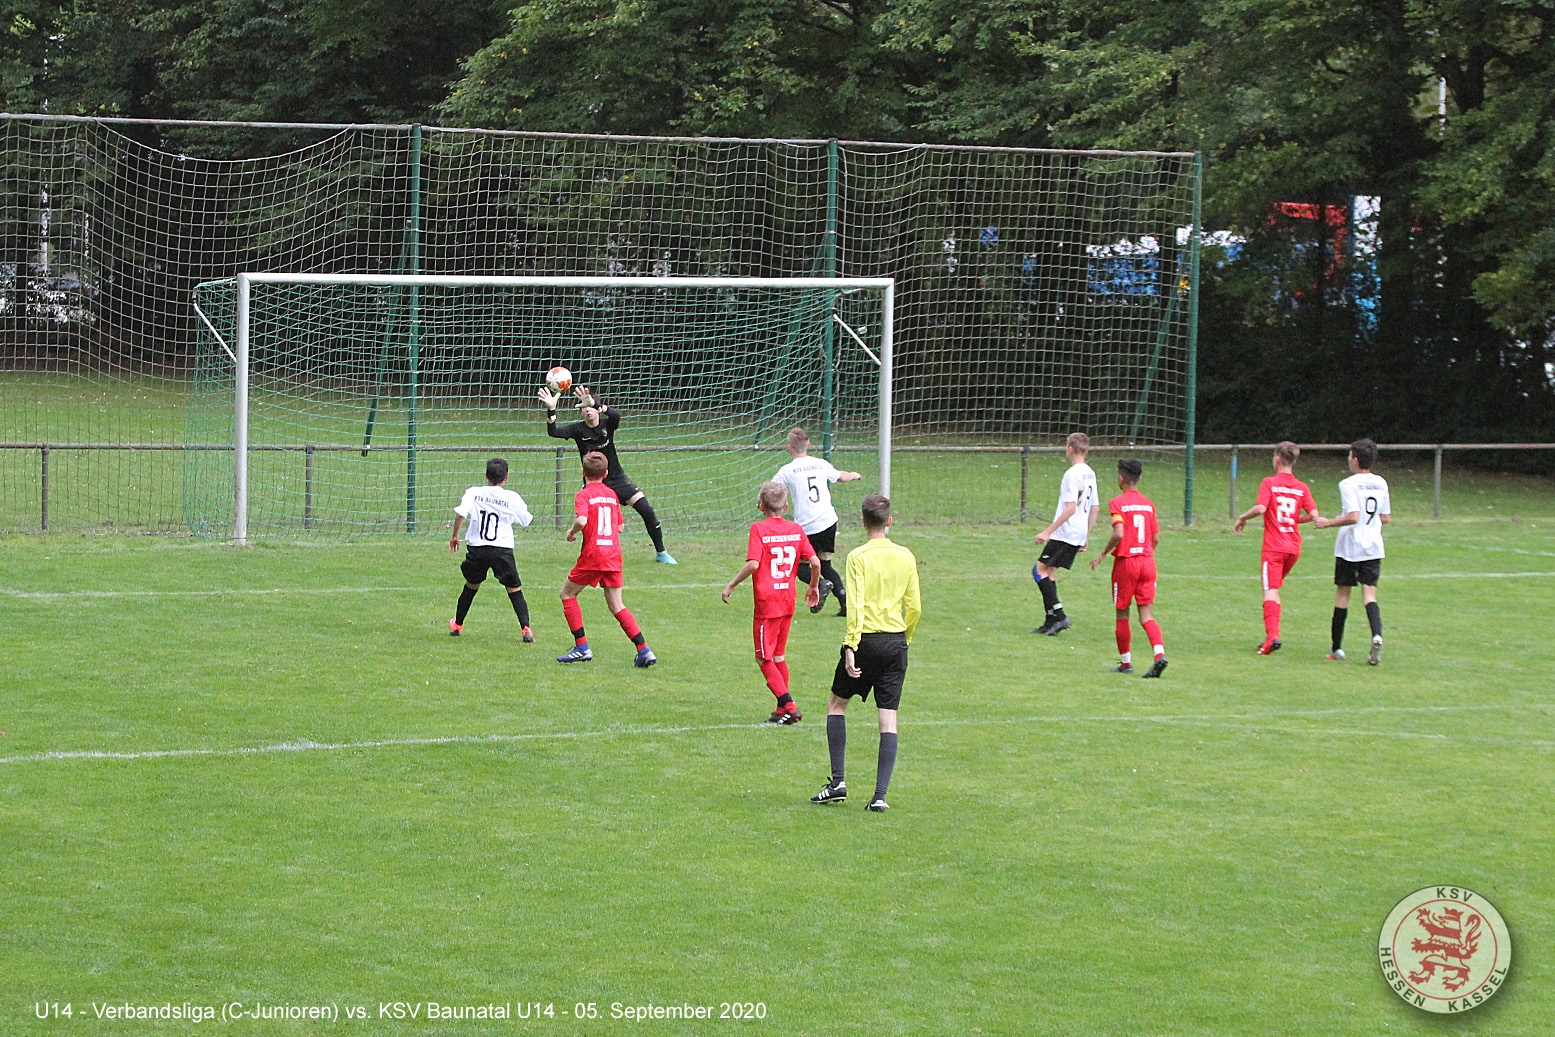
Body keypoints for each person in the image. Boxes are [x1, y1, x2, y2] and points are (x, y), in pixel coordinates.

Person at [811, 493, 921, 813]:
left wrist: (850, 645)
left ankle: (838, 782)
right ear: (889, 521)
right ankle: (879, 797)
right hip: (895, 642)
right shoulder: (906, 556)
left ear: (862, 521)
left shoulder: (858, 557)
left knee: (837, 704)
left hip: (866, 641)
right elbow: (915, 607)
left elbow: (856, 606)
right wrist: (905, 638)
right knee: (888, 719)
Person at [539, 382, 676, 564]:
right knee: (590, 522)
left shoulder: (607, 425)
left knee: (647, 510)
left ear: (596, 410)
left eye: (590, 407)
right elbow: (553, 431)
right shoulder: (578, 430)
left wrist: (596, 404)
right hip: (595, 483)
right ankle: (590, 555)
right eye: (584, 408)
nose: (588, 410)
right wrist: (551, 409)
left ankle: (661, 552)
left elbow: (616, 415)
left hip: (618, 479)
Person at [721, 481, 822, 723]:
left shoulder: (758, 528)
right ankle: (781, 710)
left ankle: (790, 706)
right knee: (778, 656)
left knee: (763, 658)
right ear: (786, 506)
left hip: (767, 603)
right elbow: (816, 562)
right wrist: (813, 586)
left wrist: (732, 584)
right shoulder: (796, 529)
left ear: (760, 507)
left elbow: (753, 564)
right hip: (787, 599)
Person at [555, 451, 656, 667]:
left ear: (583, 473)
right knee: (617, 605)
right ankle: (644, 650)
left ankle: (582, 647)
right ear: (606, 474)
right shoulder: (612, 495)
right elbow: (620, 526)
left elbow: (582, 520)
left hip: (594, 555)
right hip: (613, 555)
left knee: (567, 594)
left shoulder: (583, 495)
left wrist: (571, 532)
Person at [1234, 440, 1322, 655]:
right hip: (1293, 548)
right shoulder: (1302, 487)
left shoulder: (1269, 483)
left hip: (1274, 547)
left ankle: (1272, 637)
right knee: (1274, 588)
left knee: (1270, 590)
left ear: (1277, 459)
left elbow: (1261, 508)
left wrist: (1243, 517)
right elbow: (1313, 515)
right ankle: (1273, 634)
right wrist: (1292, 520)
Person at [1313, 438, 1391, 665]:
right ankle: (1377, 635)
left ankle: (1336, 648)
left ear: (1355, 460)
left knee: (1343, 594)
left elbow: (1353, 516)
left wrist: (1328, 522)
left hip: (1350, 547)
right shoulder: (1381, 482)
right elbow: (1385, 517)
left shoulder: (1348, 484)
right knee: (1369, 595)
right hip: (1373, 546)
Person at [1089, 458, 1167, 677]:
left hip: (1126, 563)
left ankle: (1126, 664)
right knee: (1146, 615)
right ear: (1138, 479)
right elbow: (1156, 537)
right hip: (1148, 562)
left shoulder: (1118, 503)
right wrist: (1145, 552)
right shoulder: (1149, 504)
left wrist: (1103, 553)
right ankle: (1159, 654)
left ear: (1121, 478)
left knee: (1122, 612)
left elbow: (1119, 533)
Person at [773, 427, 862, 616]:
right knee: (825, 564)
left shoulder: (787, 471)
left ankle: (821, 584)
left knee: (799, 567)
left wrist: (763, 502)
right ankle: (845, 604)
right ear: (809, 445)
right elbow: (841, 476)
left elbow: (772, 491)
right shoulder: (821, 464)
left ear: (789, 447)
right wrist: (853, 474)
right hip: (828, 522)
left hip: (807, 527)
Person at [448, 457, 535, 641]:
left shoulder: (474, 493)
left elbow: (461, 513)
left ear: (486, 475)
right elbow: (526, 520)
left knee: (471, 585)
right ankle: (526, 628)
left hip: (478, 549)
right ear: (506, 478)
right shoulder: (512, 497)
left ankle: (457, 625)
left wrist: (455, 535)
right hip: (502, 549)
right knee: (514, 589)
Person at [1031, 432, 1099, 635]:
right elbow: (1095, 507)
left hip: (1066, 532)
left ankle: (1059, 615)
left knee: (1038, 571)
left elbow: (1070, 508)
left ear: (1070, 448)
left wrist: (1047, 531)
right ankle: (1050, 621)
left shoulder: (1072, 474)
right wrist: (1086, 535)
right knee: (1050, 573)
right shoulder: (1090, 473)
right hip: (1077, 532)